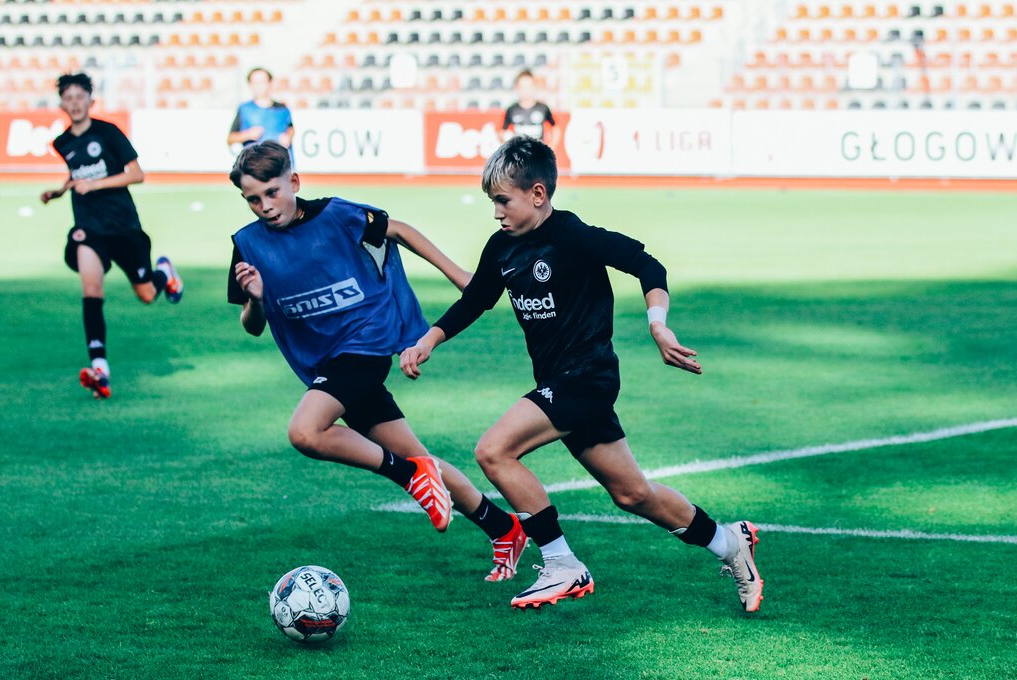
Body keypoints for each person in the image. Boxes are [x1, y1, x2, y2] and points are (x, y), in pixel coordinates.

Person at [400, 136, 764, 611]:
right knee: (633, 494)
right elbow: (476, 299)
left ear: (537, 194)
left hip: (586, 378)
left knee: (494, 451)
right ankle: (730, 543)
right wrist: (428, 340)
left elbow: (647, 265)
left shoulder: (572, 236)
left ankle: (562, 564)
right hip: (560, 383)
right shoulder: (502, 247)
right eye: (493, 202)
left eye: (503, 201)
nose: (496, 213)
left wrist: (658, 325)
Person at [227, 141, 529, 581]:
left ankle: (408, 475)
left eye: (272, 192)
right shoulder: (247, 245)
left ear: (293, 181)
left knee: (306, 432)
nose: (265, 206)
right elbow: (253, 326)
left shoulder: (337, 216)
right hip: (326, 364)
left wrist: (461, 276)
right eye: (252, 199)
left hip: (365, 343)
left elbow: (400, 231)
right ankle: (503, 529)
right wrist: (256, 299)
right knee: (420, 458)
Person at [40, 72, 183, 400]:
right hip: (89, 228)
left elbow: (137, 174)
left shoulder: (108, 132)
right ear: (61, 104)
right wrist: (59, 192)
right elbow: (76, 175)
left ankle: (164, 273)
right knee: (91, 290)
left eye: (80, 97)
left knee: (146, 294)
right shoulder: (62, 143)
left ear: (91, 100)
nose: (75, 103)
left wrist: (96, 185)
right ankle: (100, 369)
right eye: (68, 98)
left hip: (123, 226)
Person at [227, 68, 294, 153]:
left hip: (279, 158)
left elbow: (290, 127)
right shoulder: (244, 109)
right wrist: (247, 135)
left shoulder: (282, 108)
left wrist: (288, 136)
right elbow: (230, 138)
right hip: (255, 159)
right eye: (255, 82)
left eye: (262, 81)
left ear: (270, 83)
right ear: (250, 85)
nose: (258, 86)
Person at [501, 70, 556, 142]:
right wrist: (505, 140)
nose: (526, 90)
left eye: (529, 86)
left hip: (537, 149)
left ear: (534, 87)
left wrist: (551, 146)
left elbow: (556, 129)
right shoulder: (512, 110)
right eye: (522, 87)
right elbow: (502, 132)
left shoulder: (543, 108)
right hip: (519, 149)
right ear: (517, 88)